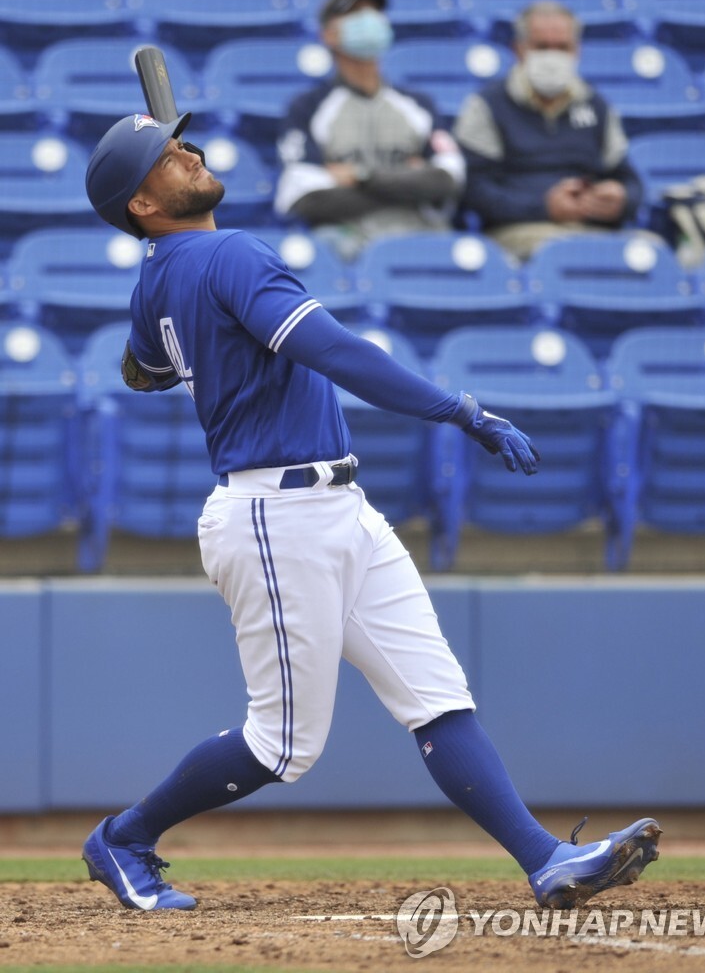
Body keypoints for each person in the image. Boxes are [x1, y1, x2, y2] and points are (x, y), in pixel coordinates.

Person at [81, 109, 661, 913]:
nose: (189, 152)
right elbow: (339, 353)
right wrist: (462, 410)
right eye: (165, 156)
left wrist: (163, 304)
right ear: (141, 204)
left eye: (181, 143)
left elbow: (142, 368)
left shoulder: (159, 279)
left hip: (337, 506)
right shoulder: (230, 252)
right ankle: (124, 837)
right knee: (284, 746)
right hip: (273, 515)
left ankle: (545, 859)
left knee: (436, 693)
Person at [274, 0, 465, 260]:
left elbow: (447, 180)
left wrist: (361, 176)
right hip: (352, 243)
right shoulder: (308, 107)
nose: (368, 19)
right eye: (354, 14)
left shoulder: (418, 104)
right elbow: (304, 200)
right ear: (328, 35)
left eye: (373, 11)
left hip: (421, 235)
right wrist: (408, 182)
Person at [454, 0, 643, 261]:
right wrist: (543, 207)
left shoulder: (596, 106)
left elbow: (629, 180)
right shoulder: (487, 105)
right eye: (542, 47)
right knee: (565, 253)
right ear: (519, 50)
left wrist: (621, 199)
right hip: (521, 231)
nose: (553, 57)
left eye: (562, 48)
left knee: (650, 251)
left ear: (577, 52)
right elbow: (474, 190)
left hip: (593, 228)